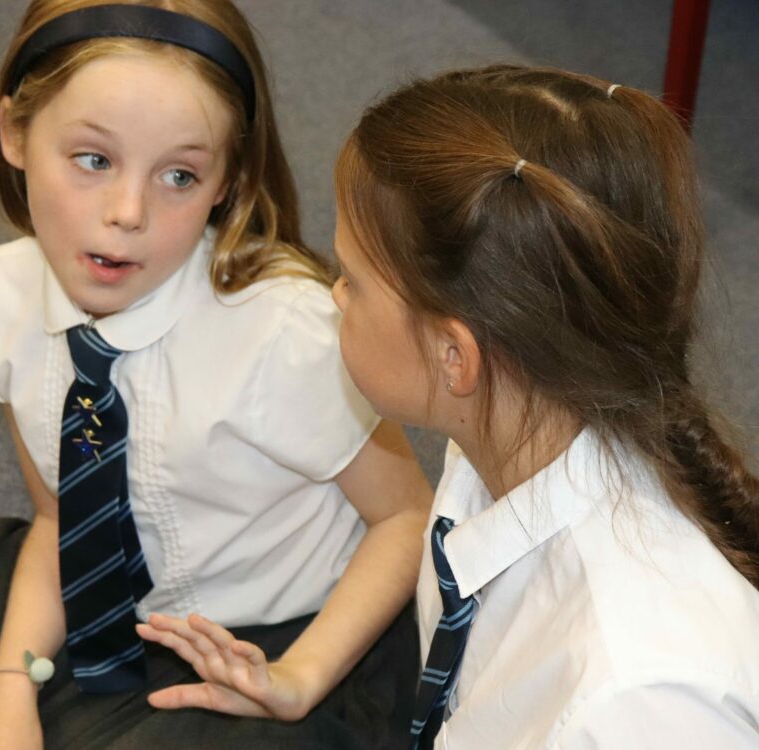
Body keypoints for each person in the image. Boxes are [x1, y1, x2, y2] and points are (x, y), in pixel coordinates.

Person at [0, 2, 430, 748]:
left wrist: (298, 679)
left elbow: (404, 519)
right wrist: (8, 685)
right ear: (14, 131)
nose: (128, 211)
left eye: (179, 174)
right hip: (98, 611)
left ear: (227, 182)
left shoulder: (287, 332)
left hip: (264, 648)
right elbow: (56, 518)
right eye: (93, 159)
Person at [321, 64, 759, 748]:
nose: (334, 296)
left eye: (351, 279)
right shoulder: (505, 427)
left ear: (453, 355)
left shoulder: (641, 701)